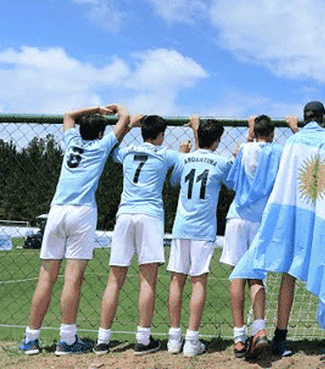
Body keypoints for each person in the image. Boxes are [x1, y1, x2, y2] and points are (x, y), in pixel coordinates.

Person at [230, 101, 325, 357]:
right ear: (323, 117)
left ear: (303, 118)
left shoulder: (291, 143)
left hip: (291, 212)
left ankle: (280, 337)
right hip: (319, 213)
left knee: (287, 274)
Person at [19, 104, 130, 356]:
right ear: (102, 133)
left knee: (45, 277)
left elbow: (68, 115)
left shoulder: (72, 140)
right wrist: (114, 109)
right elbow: (123, 118)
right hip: (82, 213)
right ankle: (67, 340)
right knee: (72, 278)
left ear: (81, 129)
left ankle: (31, 338)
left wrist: (96, 109)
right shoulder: (102, 146)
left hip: (57, 210)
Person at [95, 115, 188, 355]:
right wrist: (184, 150)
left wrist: (128, 127)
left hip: (125, 215)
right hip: (149, 216)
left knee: (114, 279)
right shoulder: (165, 154)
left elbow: (110, 147)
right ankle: (143, 338)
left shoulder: (127, 152)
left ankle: (102, 339)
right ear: (160, 135)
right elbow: (182, 170)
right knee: (147, 279)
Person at [221, 114, 298, 359]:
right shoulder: (279, 151)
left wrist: (247, 136)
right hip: (262, 218)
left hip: (237, 216)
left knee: (237, 274)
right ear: (273, 133)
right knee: (256, 277)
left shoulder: (244, 148)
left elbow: (232, 181)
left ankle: (238, 338)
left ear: (254, 131)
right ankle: (260, 328)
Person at [166, 116, 233, 357]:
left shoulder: (184, 159)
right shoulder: (222, 162)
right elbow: (232, 183)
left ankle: (174, 338)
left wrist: (185, 150)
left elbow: (174, 181)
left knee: (176, 279)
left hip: (181, 227)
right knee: (198, 281)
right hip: (203, 230)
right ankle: (192, 340)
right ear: (217, 141)